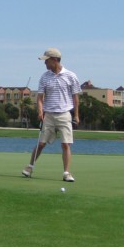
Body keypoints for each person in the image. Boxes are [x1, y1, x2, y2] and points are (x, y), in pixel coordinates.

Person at [22, 48, 82, 182]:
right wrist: (40, 111)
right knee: (41, 143)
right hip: (48, 115)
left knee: (66, 144)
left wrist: (76, 115)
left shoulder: (71, 76)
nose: (45, 64)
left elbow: (75, 98)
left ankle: (66, 173)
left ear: (54, 60)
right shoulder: (44, 77)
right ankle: (30, 166)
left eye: (47, 60)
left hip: (65, 114)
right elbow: (39, 98)